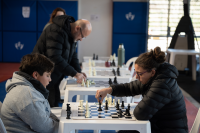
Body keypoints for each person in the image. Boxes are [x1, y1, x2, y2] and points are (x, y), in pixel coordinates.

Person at [95, 47, 188, 133]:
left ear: (152, 72)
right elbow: (130, 87)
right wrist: (109, 89)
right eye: (136, 73)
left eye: (139, 74)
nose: (136, 76)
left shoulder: (162, 85)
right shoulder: (155, 78)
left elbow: (140, 113)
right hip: (157, 125)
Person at [32, 15, 92, 107]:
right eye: (82, 36)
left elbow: (73, 56)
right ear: (77, 28)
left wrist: (79, 72)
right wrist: (75, 74)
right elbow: (55, 58)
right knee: (45, 107)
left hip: (53, 76)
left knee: (55, 102)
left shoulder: (71, 34)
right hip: (41, 75)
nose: (81, 39)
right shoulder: (56, 31)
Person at [1, 53, 59, 133]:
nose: (50, 79)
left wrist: (59, 122)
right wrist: (62, 125)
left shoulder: (29, 89)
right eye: (48, 75)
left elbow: (47, 113)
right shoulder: (26, 94)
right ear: (35, 74)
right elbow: (46, 128)